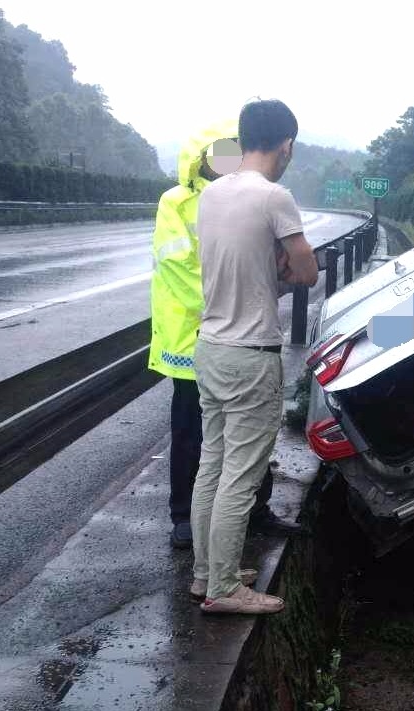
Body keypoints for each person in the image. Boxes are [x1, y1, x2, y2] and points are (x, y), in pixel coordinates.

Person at [190, 99, 318, 615]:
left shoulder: (211, 194)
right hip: (250, 353)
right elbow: (307, 271)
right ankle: (224, 589)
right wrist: (287, 266)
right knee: (241, 477)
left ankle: (207, 573)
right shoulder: (275, 196)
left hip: (210, 347)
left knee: (211, 466)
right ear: (285, 144)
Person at [148, 119, 297, 550]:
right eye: (220, 155)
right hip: (190, 339)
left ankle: (255, 509)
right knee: (194, 432)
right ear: (200, 160)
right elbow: (178, 267)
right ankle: (183, 518)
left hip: (235, 332)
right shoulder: (176, 203)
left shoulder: (244, 195)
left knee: (250, 432)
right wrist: (235, 297)